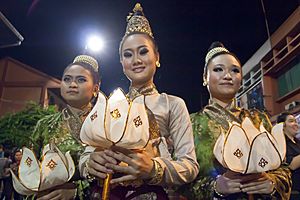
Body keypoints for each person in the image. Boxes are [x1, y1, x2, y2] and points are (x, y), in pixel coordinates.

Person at [79, 3, 199, 199]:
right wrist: (89, 162)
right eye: (128, 54)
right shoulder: (110, 105)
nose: (136, 60)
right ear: (121, 63)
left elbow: (190, 166)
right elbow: (88, 151)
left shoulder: (172, 104)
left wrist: (153, 169)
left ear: (157, 57)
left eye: (143, 51)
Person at [181, 42, 292, 199]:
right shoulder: (190, 123)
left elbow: (283, 167)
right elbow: (180, 179)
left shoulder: (258, 119)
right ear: (205, 77)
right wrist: (214, 187)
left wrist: (273, 182)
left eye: (235, 70)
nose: (227, 76)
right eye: (218, 69)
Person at [30, 55, 100, 200]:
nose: (72, 84)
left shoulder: (107, 124)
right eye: (67, 79)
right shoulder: (44, 125)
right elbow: (29, 171)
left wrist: (77, 192)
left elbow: (114, 174)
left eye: (81, 80)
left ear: (95, 89)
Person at [277, 112, 300, 199]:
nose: (296, 124)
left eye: (296, 122)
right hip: (294, 192)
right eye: (291, 121)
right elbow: (291, 165)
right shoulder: (281, 144)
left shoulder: (298, 142)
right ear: (282, 126)